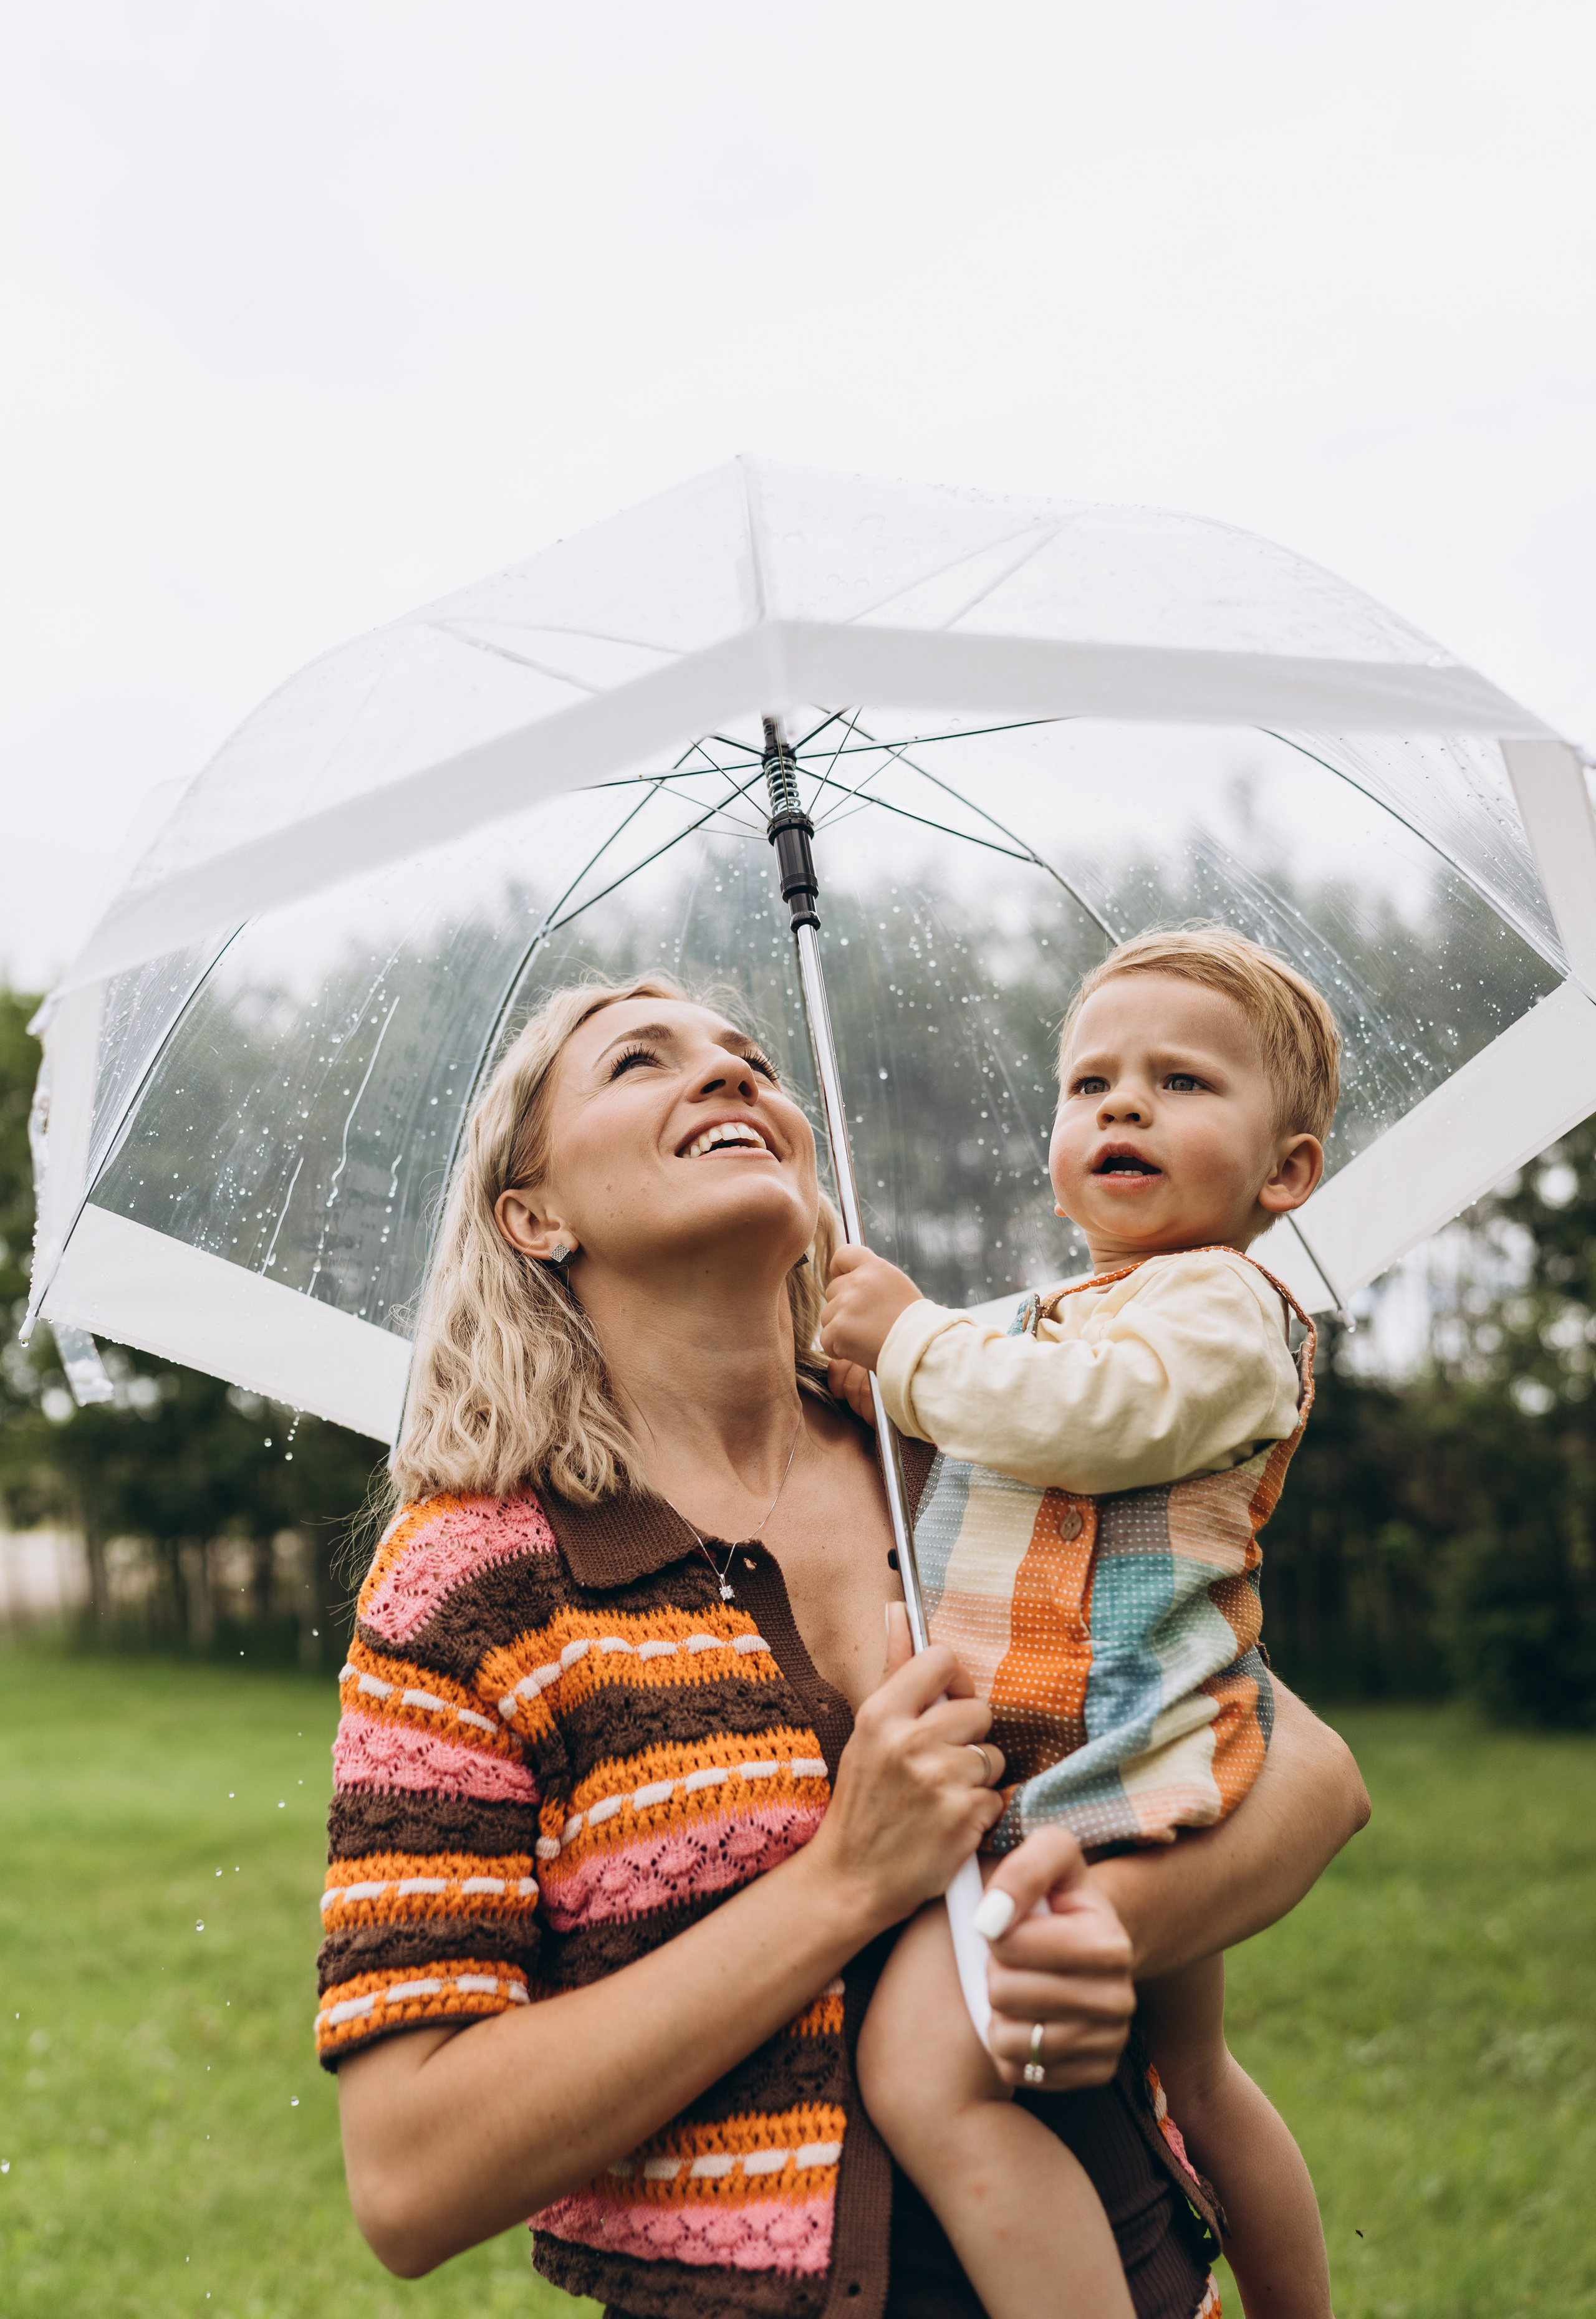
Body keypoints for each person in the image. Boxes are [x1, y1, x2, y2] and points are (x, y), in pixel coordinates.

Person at [324, 970, 1368, 2319]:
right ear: (533, 1214)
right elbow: (409, 2180)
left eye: (750, 1059)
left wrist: (1094, 1930)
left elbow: (1303, 1772)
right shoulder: (477, 1584)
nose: (728, 1075)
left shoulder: (975, 1446)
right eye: (640, 1061)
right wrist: (845, 1880)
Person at [820, 928, 1342, 2319]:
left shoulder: (1223, 1306)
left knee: (930, 2066)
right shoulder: (1060, 1311)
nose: (1120, 1107)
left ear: (1282, 1172)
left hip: (1114, 1760)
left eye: (1179, 1083)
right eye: (1088, 1083)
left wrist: (915, 1340)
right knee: (1193, 2072)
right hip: (1105, 1748)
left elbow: (1093, 1423)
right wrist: (882, 1355)